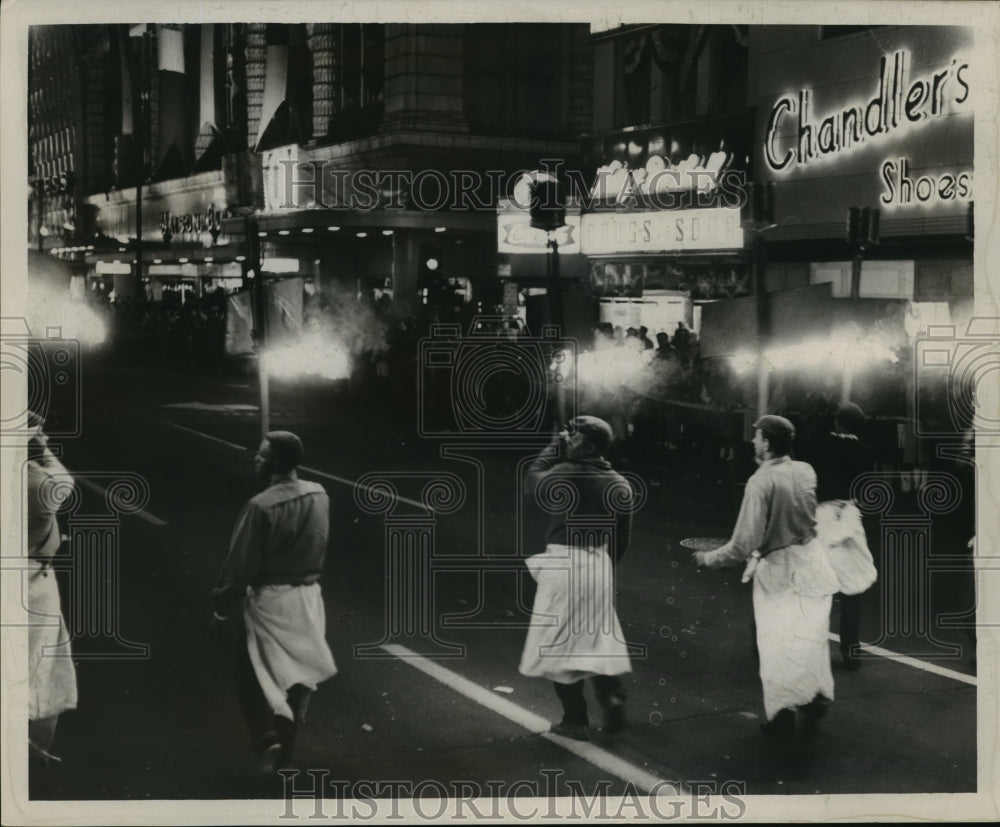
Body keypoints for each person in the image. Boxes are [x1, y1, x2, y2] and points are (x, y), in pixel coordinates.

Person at [693, 415, 839, 743]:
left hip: (780, 570)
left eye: (757, 438)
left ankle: (782, 714)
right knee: (811, 640)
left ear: (768, 443)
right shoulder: (806, 470)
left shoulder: (760, 482)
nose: (753, 443)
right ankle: (815, 695)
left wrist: (709, 559)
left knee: (775, 646)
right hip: (813, 564)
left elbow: (744, 543)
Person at [212, 431, 337, 773]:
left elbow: (240, 565)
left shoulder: (260, 506)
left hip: (272, 600)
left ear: (276, 463)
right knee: (297, 678)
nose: (255, 458)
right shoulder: (319, 494)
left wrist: (222, 604)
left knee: (248, 670)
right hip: (309, 598)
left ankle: (266, 739)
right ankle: (286, 758)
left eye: (261, 455)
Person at [519, 416, 634, 741]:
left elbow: (532, 483)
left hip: (565, 563)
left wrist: (553, 446)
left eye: (575, 437)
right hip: (600, 564)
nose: (570, 441)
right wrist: (602, 568)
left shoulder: (569, 472)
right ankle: (611, 696)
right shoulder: (620, 483)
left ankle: (575, 719)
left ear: (592, 445)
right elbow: (623, 539)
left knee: (556, 646)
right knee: (594, 639)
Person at [806, 402, 877, 670]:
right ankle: (851, 649)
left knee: (816, 584)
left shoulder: (817, 445)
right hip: (849, 515)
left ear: (837, 422)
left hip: (821, 514)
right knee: (853, 584)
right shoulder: (865, 452)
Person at [26, 412, 78, 768]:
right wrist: (40, 443)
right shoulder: (37, 483)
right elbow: (65, 479)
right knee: (45, 674)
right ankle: (36, 757)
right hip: (33, 584)